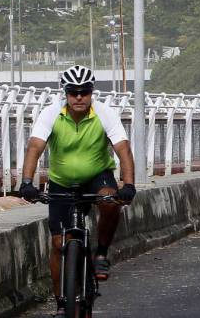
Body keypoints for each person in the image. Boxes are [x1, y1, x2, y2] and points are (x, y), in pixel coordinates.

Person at [19, 65, 135, 313]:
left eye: (85, 92)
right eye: (74, 92)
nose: (79, 97)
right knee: (58, 243)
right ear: (66, 93)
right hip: (62, 181)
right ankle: (62, 303)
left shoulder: (104, 113)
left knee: (109, 201)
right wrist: (27, 182)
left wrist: (129, 185)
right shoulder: (51, 113)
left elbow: (123, 149)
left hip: (97, 176)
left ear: (92, 92)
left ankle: (101, 254)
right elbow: (35, 147)